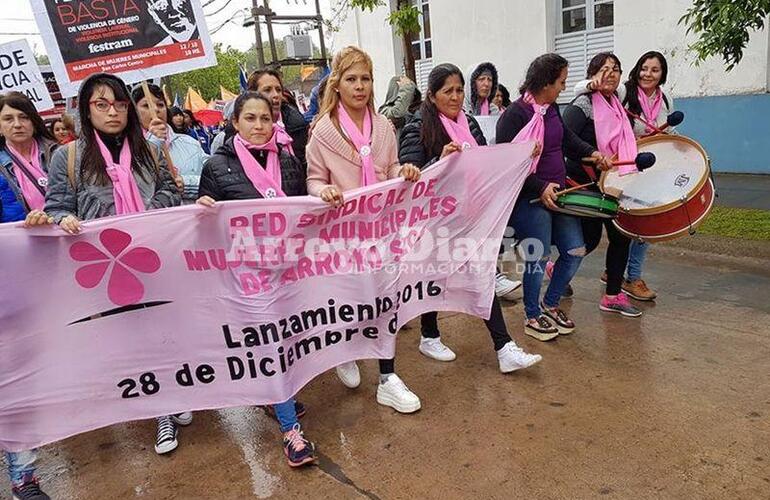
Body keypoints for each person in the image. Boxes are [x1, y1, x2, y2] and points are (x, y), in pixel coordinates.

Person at [32, 73, 185, 454]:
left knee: (166, 329)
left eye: (118, 104)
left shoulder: (149, 151)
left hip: (155, 257)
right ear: (86, 110)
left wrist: (148, 215)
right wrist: (61, 220)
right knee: (132, 338)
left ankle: (176, 395)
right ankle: (160, 412)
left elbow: (169, 190)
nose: (112, 112)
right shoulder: (67, 158)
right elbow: (57, 207)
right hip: (107, 268)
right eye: (101, 105)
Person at [196, 91, 315, 467]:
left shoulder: (290, 160)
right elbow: (202, 222)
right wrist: (202, 209)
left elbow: (304, 212)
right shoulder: (216, 166)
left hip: (289, 269)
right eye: (251, 118)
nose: (260, 126)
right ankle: (291, 431)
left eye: (266, 118)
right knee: (273, 345)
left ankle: (276, 395)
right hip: (247, 274)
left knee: (290, 338)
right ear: (235, 122)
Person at [398, 63, 543, 369]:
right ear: (432, 95)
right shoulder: (417, 128)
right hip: (433, 223)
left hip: (469, 218)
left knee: (481, 276)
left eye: (459, 90)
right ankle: (429, 335)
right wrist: (440, 161)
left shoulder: (471, 125)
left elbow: (488, 163)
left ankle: (504, 348)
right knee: (431, 278)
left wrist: (520, 156)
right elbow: (409, 180)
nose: (455, 96)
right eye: (447, 91)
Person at [306, 46, 423, 413]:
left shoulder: (386, 126)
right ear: (337, 84)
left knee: (385, 300)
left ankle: (388, 378)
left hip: (381, 229)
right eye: (351, 79)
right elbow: (313, 179)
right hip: (342, 231)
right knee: (352, 301)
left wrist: (402, 171)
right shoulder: (321, 132)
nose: (360, 86)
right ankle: (345, 347)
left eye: (366, 79)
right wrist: (322, 190)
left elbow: (389, 171)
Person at [496, 53, 611, 340]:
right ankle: (532, 314)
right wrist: (539, 186)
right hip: (527, 198)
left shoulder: (551, 108)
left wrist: (592, 153)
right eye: (560, 81)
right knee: (540, 254)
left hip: (557, 194)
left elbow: (567, 140)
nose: (563, 87)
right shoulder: (514, 115)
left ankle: (550, 304)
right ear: (546, 82)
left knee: (575, 250)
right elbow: (506, 164)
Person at [574, 51, 673, 302]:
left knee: (630, 231)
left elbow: (669, 130)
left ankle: (620, 288)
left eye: (655, 70)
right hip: (599, 174)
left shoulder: (666, 101)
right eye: (644, 68)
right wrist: (590, 83)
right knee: (591, 239)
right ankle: (560, 269)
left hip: (632, 170)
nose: (648, 74)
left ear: (662, 75)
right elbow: (568, 136)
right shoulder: (622, 94)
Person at [0, 91, 58, 500]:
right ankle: (24, 476)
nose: (17, 124)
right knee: (17, 371)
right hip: (15, 275)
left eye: (22, 116)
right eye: (8, 119)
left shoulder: (60, 154)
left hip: (68, 270)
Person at [562, 52, 642, 318]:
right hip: (585, 182)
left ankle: (613, 295)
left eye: (616, 69)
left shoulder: (618, 106)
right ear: (592, 74)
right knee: (590, 240)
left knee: (621, 235)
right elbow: (564, 143)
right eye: (604, 69)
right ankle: (558, 268)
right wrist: (593, 159)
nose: (611, 73)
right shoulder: (582, 105)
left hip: (615, 181)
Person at [132, 83, 208, 202]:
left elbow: (214, 180)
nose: (155, 110)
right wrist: (153, 143)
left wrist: (187, 183)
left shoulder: (190, 143)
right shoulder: (126, 152)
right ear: (133, 111)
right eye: (146, 105)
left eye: (160, 105)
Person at [247, 69, 309, 167]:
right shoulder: (239, 131)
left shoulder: (299, 127)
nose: (275, 95)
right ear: (252, 95)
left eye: (278, 90)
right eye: (267, 90)